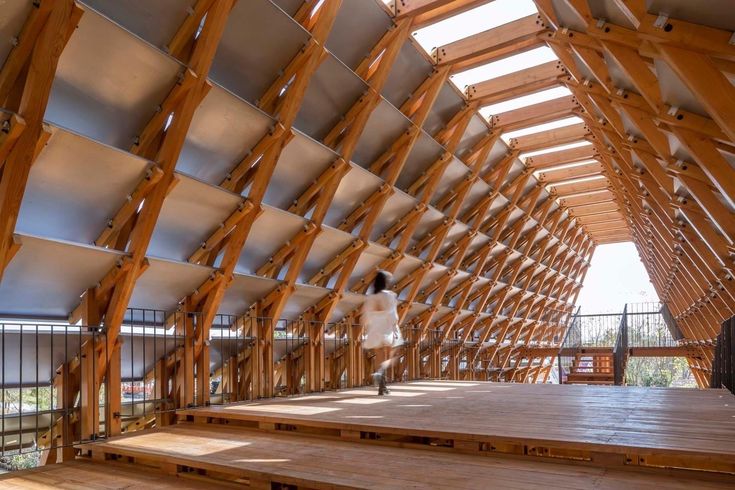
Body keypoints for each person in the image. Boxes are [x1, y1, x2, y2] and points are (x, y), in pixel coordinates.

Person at [361, 270, 403, 395]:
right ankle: (380, 372)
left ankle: (382, 386)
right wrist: (395, 324)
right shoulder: (390, 295)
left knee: (378, 356)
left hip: (375, 329)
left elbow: (365, 315)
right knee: (392, 355)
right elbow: (393, 314)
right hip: (387, 328)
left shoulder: (371, 297)